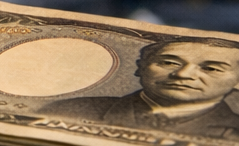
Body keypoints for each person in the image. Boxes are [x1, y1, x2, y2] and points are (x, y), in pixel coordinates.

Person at [40, 36, 239, 137]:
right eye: (169, 63)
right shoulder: (66, 110)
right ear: (140, 68)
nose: (182, 74)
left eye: (211, 68)